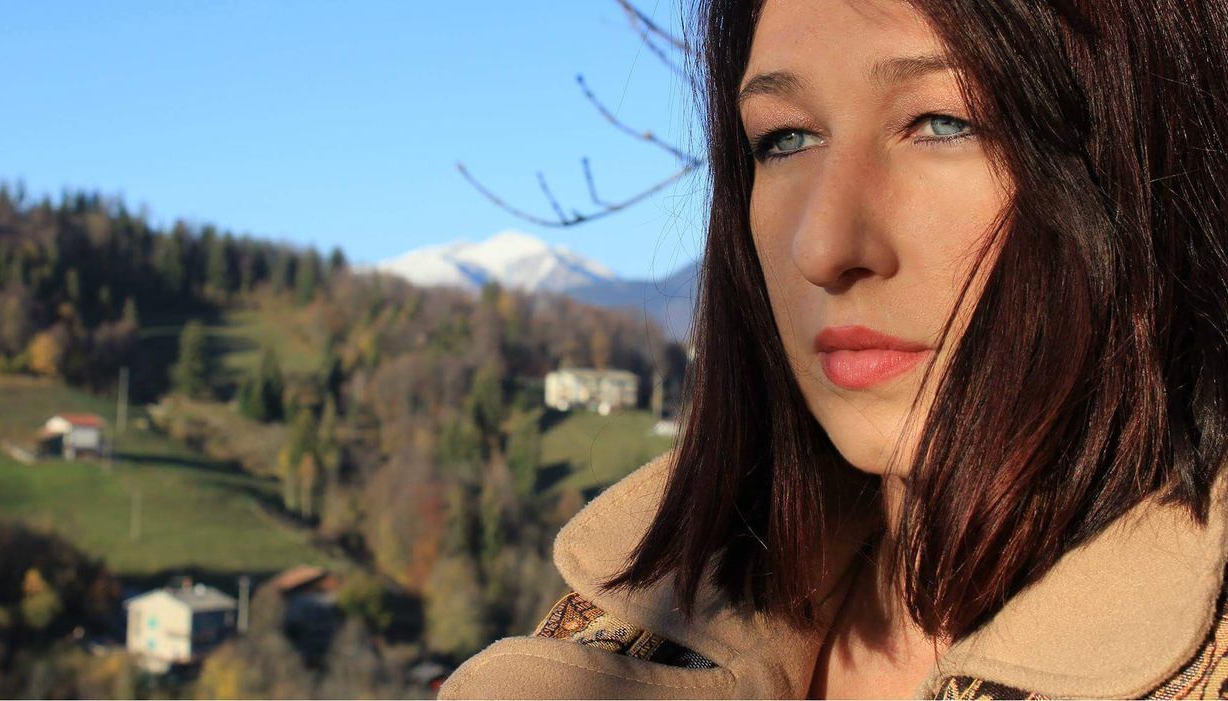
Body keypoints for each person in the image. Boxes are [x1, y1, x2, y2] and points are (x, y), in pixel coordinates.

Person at [439, 0, 1228, 697]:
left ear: (1147, 149)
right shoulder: (617, 629)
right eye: (785, 138)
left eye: (943, 122)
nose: (823, 244)